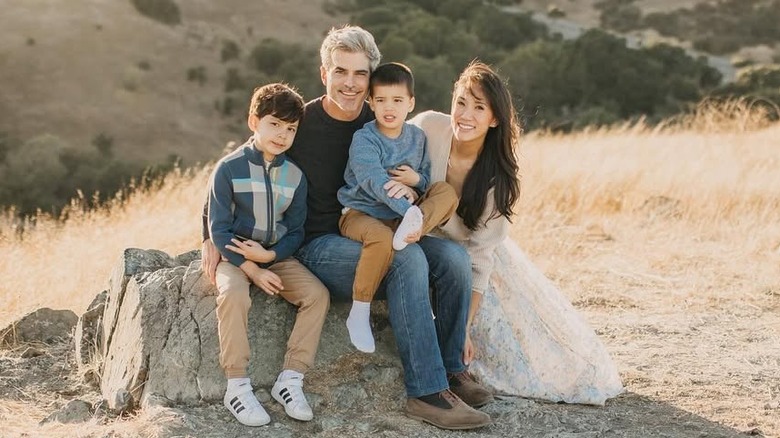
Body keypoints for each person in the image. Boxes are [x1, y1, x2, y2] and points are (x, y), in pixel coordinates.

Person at [202, 26, 492, 430]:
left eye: (360, 74)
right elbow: (241, 158)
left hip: (381, 229)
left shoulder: (383, 123)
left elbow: (448, 139)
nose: (350, 83)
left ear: (371, 80)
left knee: (454, 259)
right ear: (324, 75)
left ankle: (450, 371)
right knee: (404, 260)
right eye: (340, 71)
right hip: (317, 244)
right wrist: (208, 233)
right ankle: (426, 393)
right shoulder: (302, 121)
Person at [410, 61, 624, 405]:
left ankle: (457, 371)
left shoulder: (498, 178)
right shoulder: (427, 128)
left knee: (500, 339)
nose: (465, 115)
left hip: (471, 254)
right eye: (461, 102)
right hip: (419, 239)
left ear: (494, 118)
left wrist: (465, 327)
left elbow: (480, 258)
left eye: (479, 108)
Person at [207, 83, 330, 426]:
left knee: (317, 295)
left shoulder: (295, 176)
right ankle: (237, 385)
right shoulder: (228, 169)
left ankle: (291, 380)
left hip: (275, 256)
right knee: (233, 295)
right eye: (274, 124)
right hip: (235, 257)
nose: (282, 134)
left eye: (290, 128)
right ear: (254, 121)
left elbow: (296, 230)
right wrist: (253, 268)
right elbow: (219, 229)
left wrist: (271, 256)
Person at [337, 62, 459, 354]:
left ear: (411, 103)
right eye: (380, 100)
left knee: (446, 192)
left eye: (397, 100)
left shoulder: (417, 138)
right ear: (371, 103)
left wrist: (415, 182)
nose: (388, 108)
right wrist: (408, 206)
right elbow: (374, 181)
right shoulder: (364, 139)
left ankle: (414, 227)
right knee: (379, 239)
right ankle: (360, 312)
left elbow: (426, 177)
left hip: (401, 217)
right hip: (360, 214)